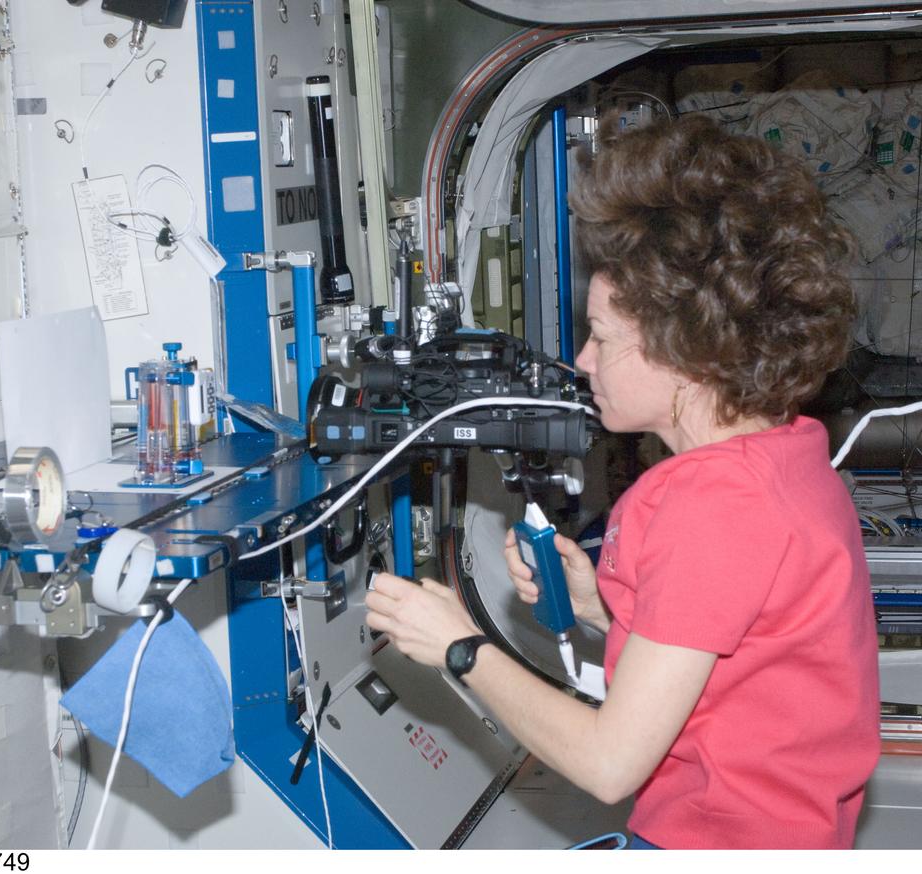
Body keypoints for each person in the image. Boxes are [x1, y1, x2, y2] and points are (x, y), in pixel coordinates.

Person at [364, 113, 880, 849]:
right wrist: (603, 607)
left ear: (684, 349)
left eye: (603, 336)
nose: (582, 360)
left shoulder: (707, 506)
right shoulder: (789, 455)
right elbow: (736, 653)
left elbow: (610, 764)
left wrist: (460, 643)